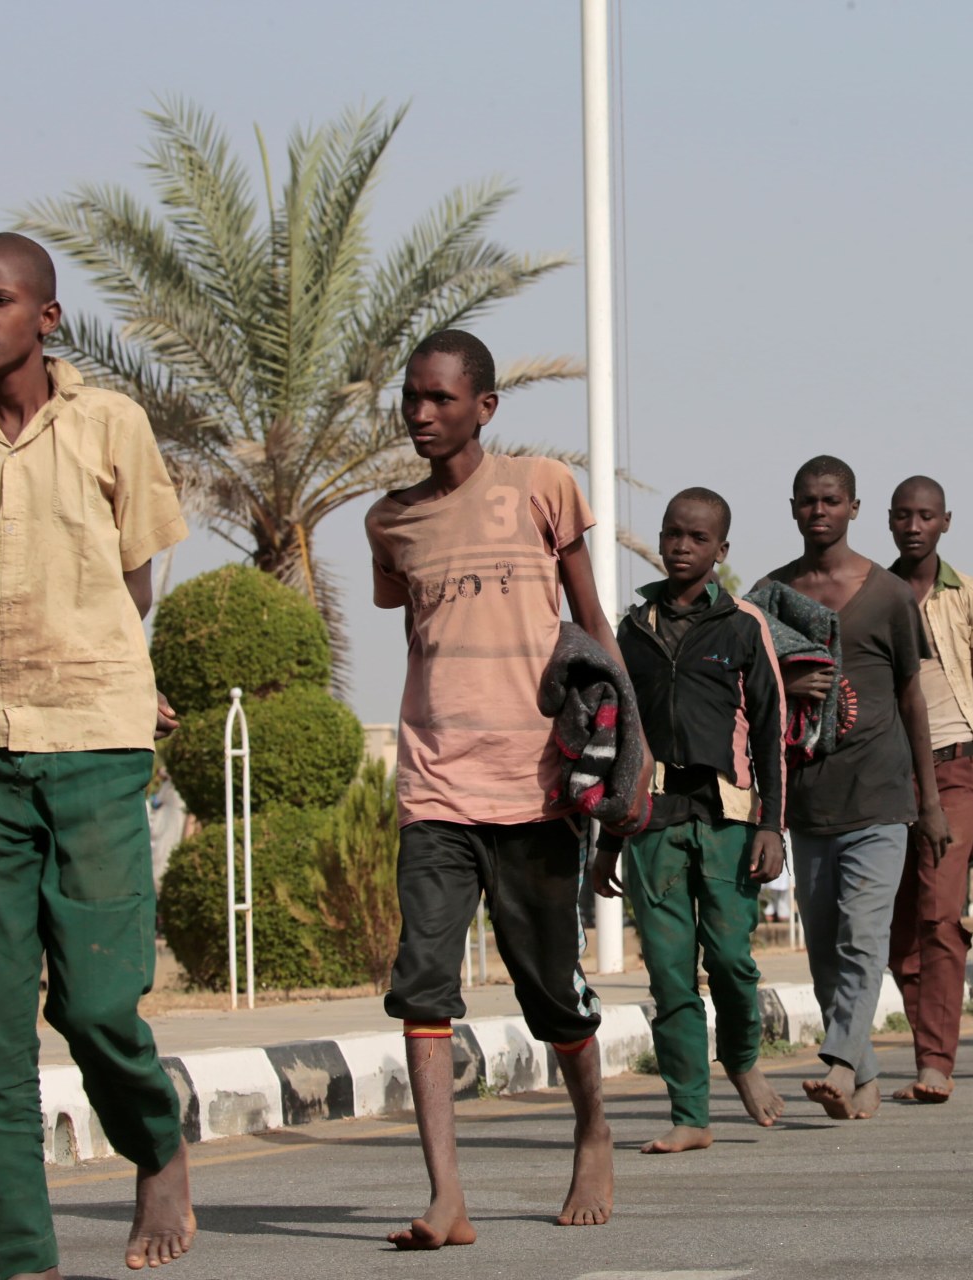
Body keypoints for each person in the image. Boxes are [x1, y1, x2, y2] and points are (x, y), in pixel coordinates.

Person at [0, 234, 195, 1280]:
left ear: (46, 317)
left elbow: (136, 575)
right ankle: (26, 1257)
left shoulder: (112, 424)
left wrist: (98, 658)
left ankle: (156, 1140)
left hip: (98, 738)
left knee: (100, 1000)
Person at [365, 329, 649, 1244]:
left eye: (442, 398)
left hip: (537, 789)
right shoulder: (390, 522)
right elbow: (412, 629)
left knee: (550, 993)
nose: (421, 413)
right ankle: (447, 1197)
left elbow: (594, 623)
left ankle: (592, 1123)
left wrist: (630, 765)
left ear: (484, 407)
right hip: (436, 789)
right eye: (411, 397)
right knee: (423, 986)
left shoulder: (541, 488)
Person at [598, 486, 788, 1155]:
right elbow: (614, 740)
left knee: (733, 962)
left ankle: (741, 1060)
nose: (681, 546)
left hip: (729, 819)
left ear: (721, 550)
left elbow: (771, 732)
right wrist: (605, 843)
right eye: (672, 533)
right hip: (652, 824)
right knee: (671, 973)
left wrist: (773, 825)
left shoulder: (743, 625)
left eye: (697, 537)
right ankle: (689, 1115)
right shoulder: (632, 629)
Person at [761, 455, 945, 1120]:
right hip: (810, 802)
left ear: (853, 508)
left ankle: (838, 1063)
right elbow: (750, 698)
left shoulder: (890, 595)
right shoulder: (773, 596)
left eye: (832, 500)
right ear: (792, 508)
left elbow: (912, 699)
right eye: (808, 500)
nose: (819, 511)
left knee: (861, 940)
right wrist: (785, 684)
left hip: (881, 794)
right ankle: (864, 1079)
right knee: (823, 953)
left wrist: (929, 802)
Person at [886, 476, 973, 1104]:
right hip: (889, 773)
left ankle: (936, 1061)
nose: (914, 526)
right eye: (903, 515)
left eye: (926, 516)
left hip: (956, 767)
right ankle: (924, 1041)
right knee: (897, 928)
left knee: (940, 914)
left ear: (946, 522)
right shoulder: (874, 591)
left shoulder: (971, 596)